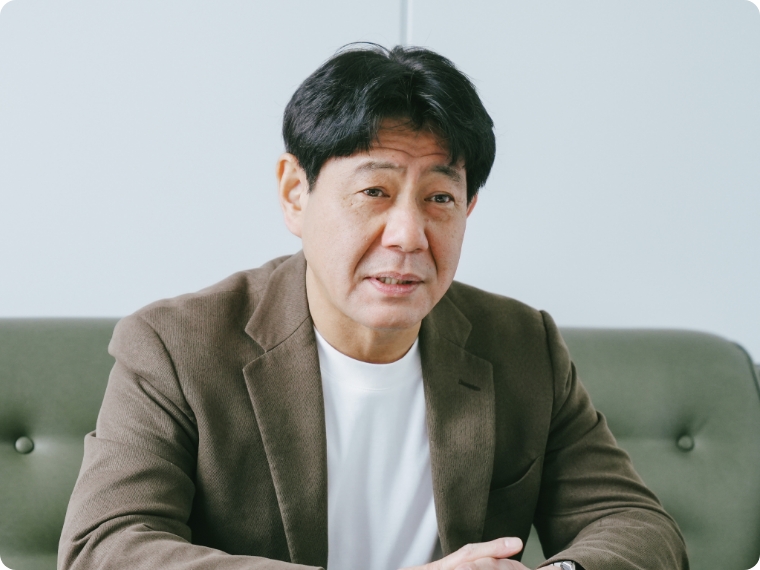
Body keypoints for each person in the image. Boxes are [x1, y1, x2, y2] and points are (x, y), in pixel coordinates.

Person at [58, 44, 688, 570]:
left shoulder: (523, 345)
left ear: (468, 209)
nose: (408, 235)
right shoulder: (175, 345)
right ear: (295, 193)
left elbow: (636, 525)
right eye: (374, 191)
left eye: (440, 198)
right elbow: (104, 547)